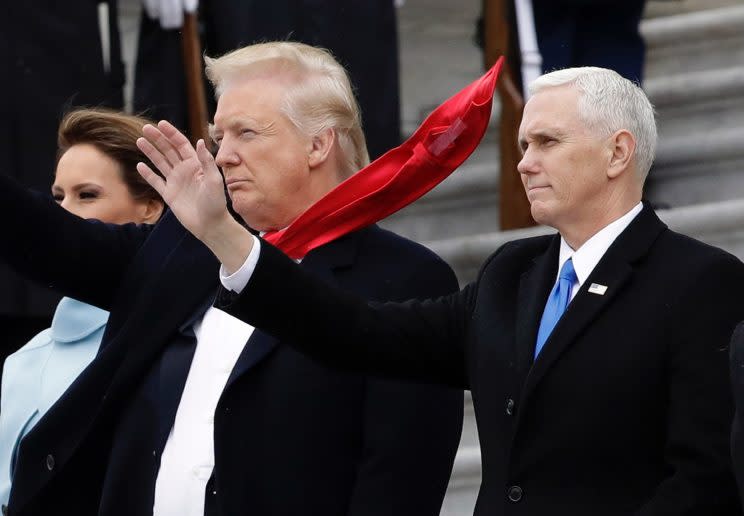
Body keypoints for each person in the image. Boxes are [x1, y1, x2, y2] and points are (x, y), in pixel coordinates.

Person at [139, 66, 744, 515]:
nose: (524, 163)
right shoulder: (514, 274)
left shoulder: (698, 281)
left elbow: (704, 479)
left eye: (547, 143)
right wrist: (224, 237)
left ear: (618, 152)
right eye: (523, 144)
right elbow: (358, 334)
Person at [0, 42, 462, 516]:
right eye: (220, 139)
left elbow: (398, 483)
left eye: (246, 134)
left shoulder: (406, 279)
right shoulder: (186, 248)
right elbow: (51, 240)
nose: (224, 158)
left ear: (318, 144)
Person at [0, 108, 165, 510]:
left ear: (151, 206)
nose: (65, 213)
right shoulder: (25, 361)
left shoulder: (191, 338)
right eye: (58, 197)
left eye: (87, 194)